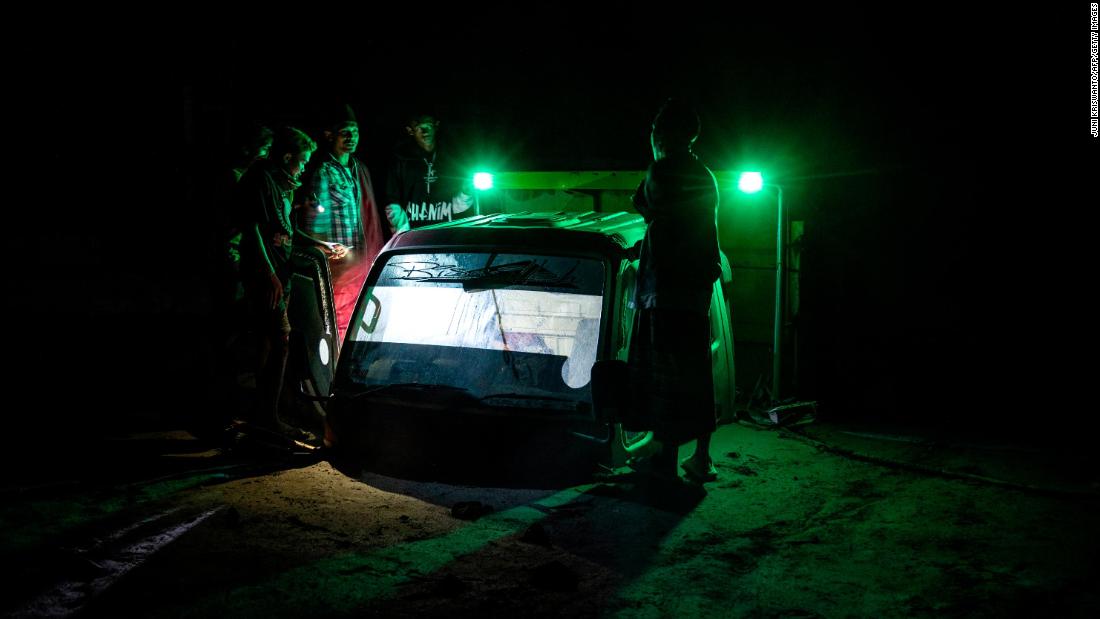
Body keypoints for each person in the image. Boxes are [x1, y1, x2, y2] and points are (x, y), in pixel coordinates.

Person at [629, 98, 722, 484]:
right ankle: (701, 458)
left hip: (665, 287)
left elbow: (640, 202)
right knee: (696, 371)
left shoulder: (662, 169)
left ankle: (663, 460)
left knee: (663, 372)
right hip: (697, 286)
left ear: (662, 134)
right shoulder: (704, 173)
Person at [234, 126, 334, 440]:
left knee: (271, 343)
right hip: (267, 276)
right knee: (279, 340)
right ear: (288, 156)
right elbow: (253, 232)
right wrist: (269, 274)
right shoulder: (260, 179)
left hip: (281, 275)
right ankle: (266, 418)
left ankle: (263, 415)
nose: (304, 167)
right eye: (302, 161)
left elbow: (287, 230)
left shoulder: (283, 184)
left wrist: (317, 243)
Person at [297, 104, 390, 343]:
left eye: (355, 132)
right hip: (339, 262)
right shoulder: (324, 171)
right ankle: (336, 371)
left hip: (362, 259)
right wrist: (324, 250)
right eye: (345, 132)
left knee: (363, 314)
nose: (351, 138)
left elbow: (369, 216)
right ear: (330, 136)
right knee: (339, 319)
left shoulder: (359, 168)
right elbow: (316, 222)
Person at [382, 113, 475, 231]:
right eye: (419, 128)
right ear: (410, 131)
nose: (425, 132)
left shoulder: (450, 159)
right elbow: (392, 201)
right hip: (412, 236)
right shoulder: (400, 160)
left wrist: (466, 193)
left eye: (428, 126)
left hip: (445, 234)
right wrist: (404, 234)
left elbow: (456, 207)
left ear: (436, 126)